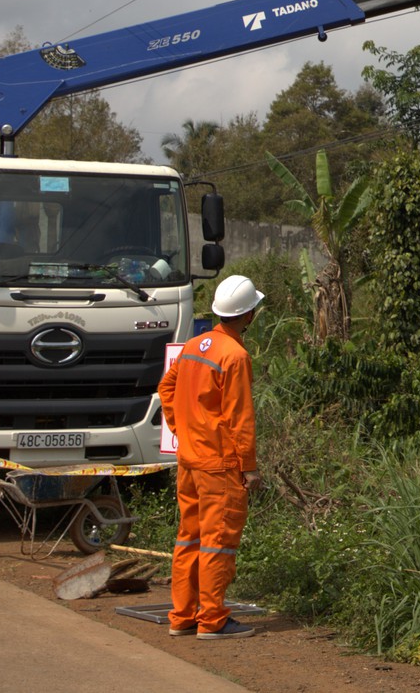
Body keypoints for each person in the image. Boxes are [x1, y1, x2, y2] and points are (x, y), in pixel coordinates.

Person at [159, 274, 264, 639]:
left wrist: (180, 427)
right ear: (248, 315)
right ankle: (213, 620)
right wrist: (248, 468)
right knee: (217, 540)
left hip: (189, 460)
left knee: (190, 537)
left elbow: (166, 387)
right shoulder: (235, 355)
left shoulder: (193, 345)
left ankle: (183, 616)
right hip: (219, 466)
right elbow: (240, 418)